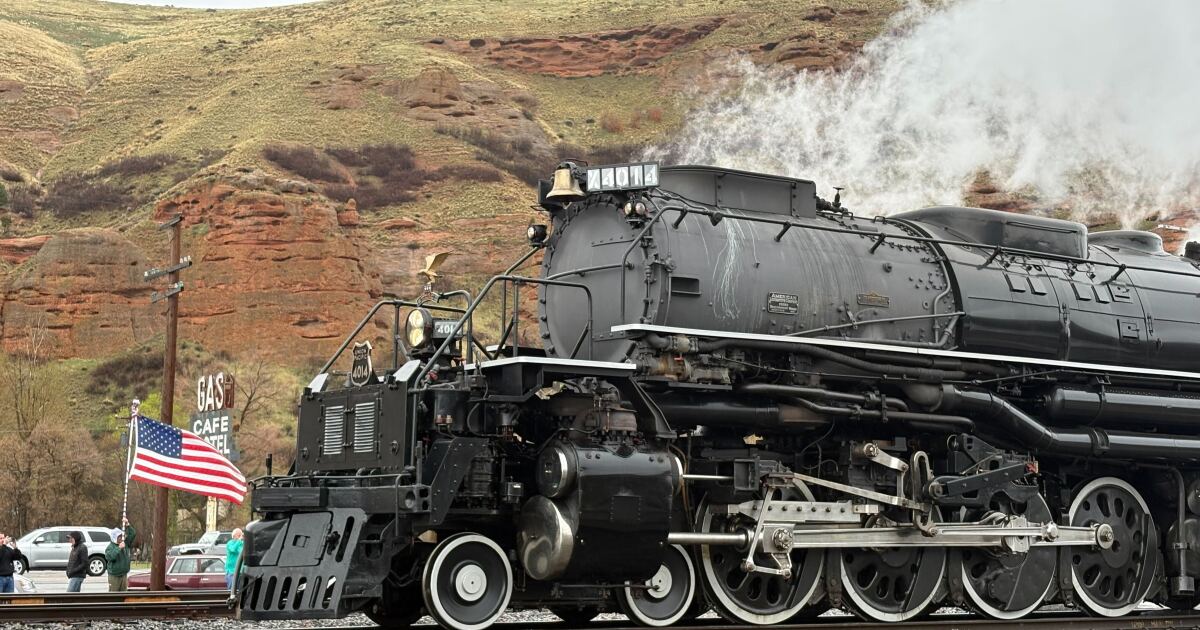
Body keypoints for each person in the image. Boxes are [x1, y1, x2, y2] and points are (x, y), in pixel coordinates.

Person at [104, 518, 137, 592]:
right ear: (114, 537)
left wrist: (127, 524)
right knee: (114, 594)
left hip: (124, 574)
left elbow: (133, 534)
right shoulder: (110, 547)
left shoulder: (125, 543)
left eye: (122, 536)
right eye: (119, 537)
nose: (122, 538)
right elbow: (110, 557)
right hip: (114, 575)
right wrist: (119, 548)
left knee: (123, 594)